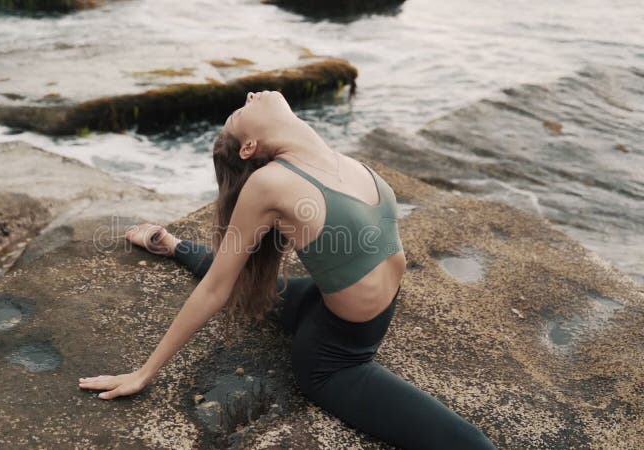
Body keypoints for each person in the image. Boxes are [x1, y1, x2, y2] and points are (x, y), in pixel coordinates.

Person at [78, 90, 496, 449]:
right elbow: (216, 290)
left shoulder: (335, 159)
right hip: (335, 358)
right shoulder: (272, 183)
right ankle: (176, 249)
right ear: (249, 147)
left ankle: (174, 246)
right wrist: (144, 372)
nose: (248, 98)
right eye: (240, 114)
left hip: (322, 303)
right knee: (472, 444)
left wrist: (171, 241)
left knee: (262, 285)